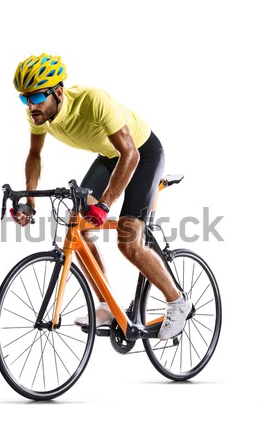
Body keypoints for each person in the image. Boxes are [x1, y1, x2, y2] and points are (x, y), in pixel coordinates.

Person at [11, 52, 191, 339]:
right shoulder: (38, 113)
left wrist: (105, 204)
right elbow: (34, 154)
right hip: (110, 156)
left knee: (128, 242)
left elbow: (130, 154)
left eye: (35, 98)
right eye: (24, 98)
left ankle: (178, 301)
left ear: (58, 92)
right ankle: (107, 304)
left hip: (142, 152)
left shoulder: (92, 100)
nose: (30, 106)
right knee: (78, 228)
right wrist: (30, 202)